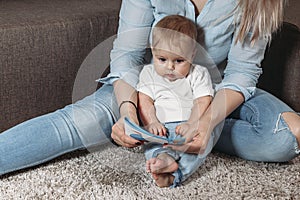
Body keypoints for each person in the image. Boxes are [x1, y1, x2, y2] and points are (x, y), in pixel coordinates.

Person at [0, 0, 299, 184]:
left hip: (217, 90)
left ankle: (179, 134)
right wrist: (131, 111)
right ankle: (170, 132)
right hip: (149, 86)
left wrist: (206, 123)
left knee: (280, 141)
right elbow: (126, 56)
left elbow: (241, 75)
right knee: (79, 120)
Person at [137, 15, 214, 188]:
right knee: (152, 147)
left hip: (187, 128)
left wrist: (192, 123)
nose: (170, 67)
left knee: (201, 146)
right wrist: (152, 122)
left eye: (179, 61)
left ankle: (176, 173)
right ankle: (162, 159)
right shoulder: (148, 73)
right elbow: (145, 101)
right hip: (161, 128)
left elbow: (203, 101)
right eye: (162, 59)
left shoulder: (198, 73)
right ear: (153, 51)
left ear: (192, 55)